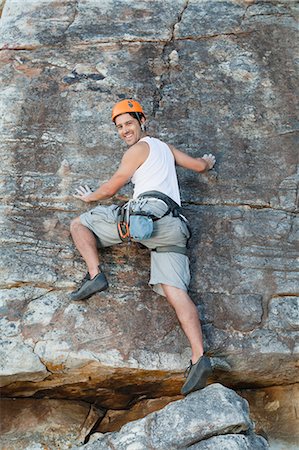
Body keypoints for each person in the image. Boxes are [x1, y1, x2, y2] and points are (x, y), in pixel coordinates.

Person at [70, 99, 216, 395]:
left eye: (128, 123)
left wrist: (90, 198)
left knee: (79, 225)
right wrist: (208, 162)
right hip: (175, 226)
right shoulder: (165, 149)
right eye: (120, 126)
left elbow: (112, 188)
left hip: (146, 216)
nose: (124, 130)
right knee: (176, 292)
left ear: (142, 120)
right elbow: (199, 166)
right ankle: (199, 356)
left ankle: (95, 274)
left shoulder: (137, 150)